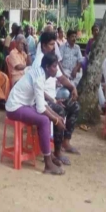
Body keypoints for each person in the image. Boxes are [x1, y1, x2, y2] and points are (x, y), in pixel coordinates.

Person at [6, 53, 66, 176]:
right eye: (54, 66)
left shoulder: (40, 73)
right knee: (44, 120)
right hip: (14, 107)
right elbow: (40, 108)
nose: (56, 69)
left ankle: (49, 156)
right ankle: (48, 164)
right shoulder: (39, 78)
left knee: (46, 118)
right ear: (47, 67)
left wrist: (56, 115)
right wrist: (56, 120)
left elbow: (41, 103)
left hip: (24, 105)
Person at [33, 32, 80, 164]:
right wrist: (53, 101)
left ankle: (66, 141)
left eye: (54, 44)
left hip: (53, 98)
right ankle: (57, 151)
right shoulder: (39, 62)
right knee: (59, 111)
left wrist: (72, 88)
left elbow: (62, 78)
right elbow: (38, 91)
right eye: (51, 44)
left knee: (74, 106)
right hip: (41, 101)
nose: (54, 47)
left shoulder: (51, 59)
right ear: (43, 45)